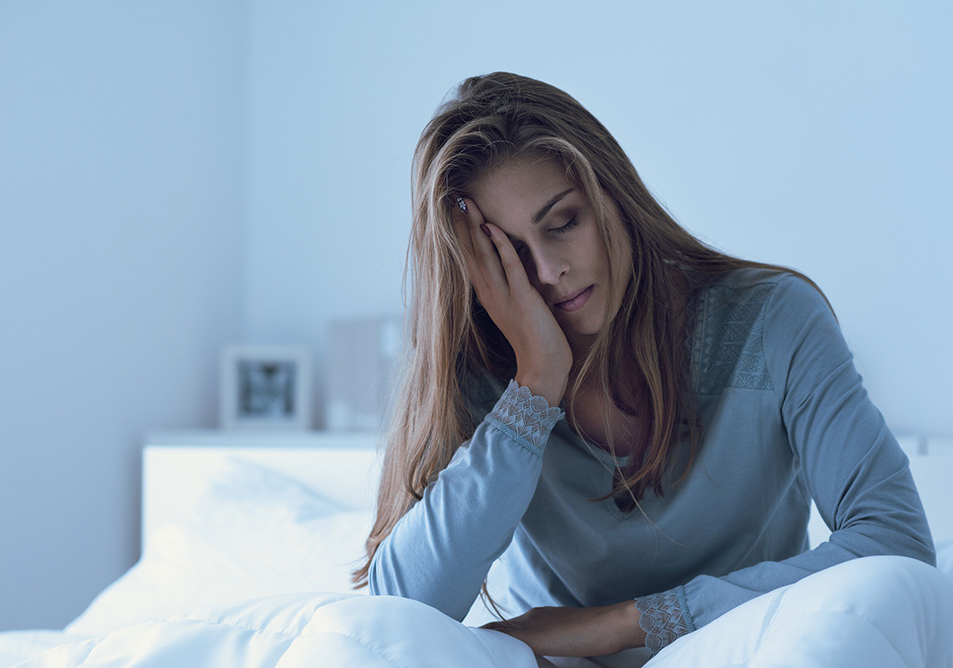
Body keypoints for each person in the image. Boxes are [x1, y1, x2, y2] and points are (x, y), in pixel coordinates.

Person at [351, 71, 936, 660]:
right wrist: (534, 387)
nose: (548, 272)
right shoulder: (483, 373)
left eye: (564, 223)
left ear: (615, 196)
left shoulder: (772, 321)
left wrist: (630, 622)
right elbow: (401, 611)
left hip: (742, 650)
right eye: (509, 256)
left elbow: (897, 543)